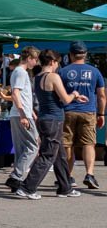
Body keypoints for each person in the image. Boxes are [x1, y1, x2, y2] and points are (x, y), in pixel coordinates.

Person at [18, 49, 88, 199]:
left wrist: (73, 97)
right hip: (53, 120)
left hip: (43, 118)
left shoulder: (37, 77)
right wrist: (75, 94)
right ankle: (27, 187)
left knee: (60, 155)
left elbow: (52, 97)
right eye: (57, 62)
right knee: (48, 155)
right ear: (52, 62)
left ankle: (65, 187)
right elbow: (65, 99)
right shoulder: (53, 77)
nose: (58, 65)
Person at [57, 41, 106, 190]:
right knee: (88, 143)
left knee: (68, 144)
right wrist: (101, 113)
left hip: (68, 111)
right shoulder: (95, 71)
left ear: (71, 55)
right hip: (88, 111)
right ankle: (89, 174)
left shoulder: (62, 71)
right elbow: (102, 95)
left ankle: (68, 176)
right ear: (85, 54)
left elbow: (58, 94)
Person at [5, 47, 40, 192]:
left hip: (20, 113)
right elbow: (16, 93)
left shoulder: (19, 72)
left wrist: (30, 112)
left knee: (21, 148)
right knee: (33, 146)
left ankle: (16, 179)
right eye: (35, 59)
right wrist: (23, 114)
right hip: (21, 113)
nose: (36, 62)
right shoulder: (21, 72)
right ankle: (16, 176)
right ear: (29, 58)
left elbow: (22, 95)